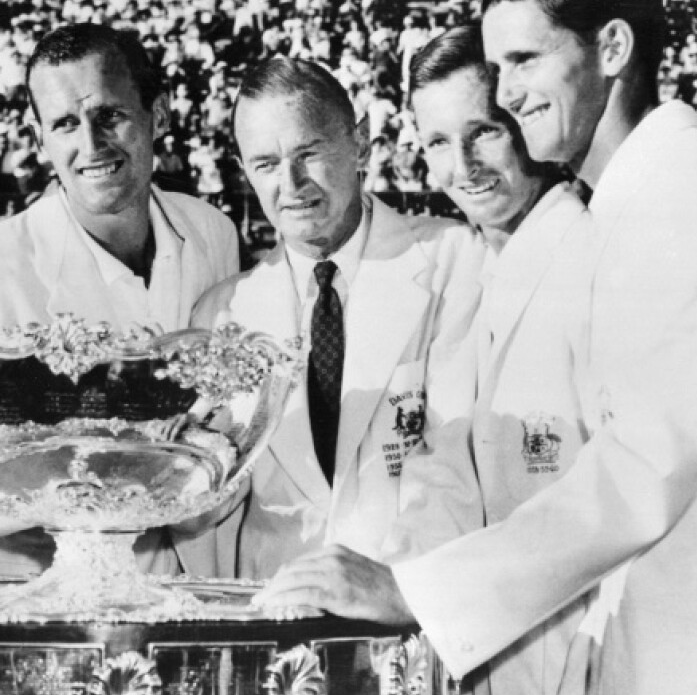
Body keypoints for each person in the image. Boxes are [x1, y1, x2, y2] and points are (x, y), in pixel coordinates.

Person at [259, 0, 697, 695]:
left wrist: (418, 592)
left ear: (613, 48)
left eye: (523, 60)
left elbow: (636, 476)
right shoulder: (655, 196)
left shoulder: (682, 202)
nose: (508, 93)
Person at [0, 23, 240, 579]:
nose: (90, 144)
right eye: (64, 124)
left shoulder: (212, 233)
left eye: (109, 115)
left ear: (160, 110)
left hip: (193, 586)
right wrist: (70, 489)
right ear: (39, 139)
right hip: (40, 602)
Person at [191, 54, 487, 591]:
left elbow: (458, 465)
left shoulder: (454, 260)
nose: (292, 183)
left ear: (360, 145)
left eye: (310, 152)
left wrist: (395, 590)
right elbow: (209, 509)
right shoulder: (222, 314)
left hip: (411, 605)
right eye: (265, 164)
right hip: (277, 615)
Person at [406, 25, 596, 695]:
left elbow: (636, 507)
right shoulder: (461, 269)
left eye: (484, 130)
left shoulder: (593, 253)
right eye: (439, 142)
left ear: (525, 121)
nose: (465, 165)